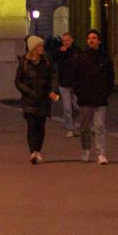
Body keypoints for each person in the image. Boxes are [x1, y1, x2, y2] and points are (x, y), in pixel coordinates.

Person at [71, 29, 114, 164]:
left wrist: (106, 92)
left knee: (100, 126)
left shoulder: (105, 58)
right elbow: (75, 77)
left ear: (99, 41)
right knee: (85, 127)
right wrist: (79, 92)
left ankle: (101, 153)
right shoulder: (81, 57)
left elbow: (110, 78)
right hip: (85, 98)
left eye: (94, 38)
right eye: (89, 38)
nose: (91, 40)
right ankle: (85, 149)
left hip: (100, 98)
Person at [15, 35, 59, 164]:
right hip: (30, 99)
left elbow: (53, 77)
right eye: (39, 46)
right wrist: (28, 92)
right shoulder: (24, 63)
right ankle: (33, 152)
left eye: (42, 46)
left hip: (44, 99)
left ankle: (38, 150)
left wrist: (53, 91)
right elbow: (18, 81)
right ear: (33, 48)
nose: (42, 48)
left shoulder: (46, 61)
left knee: (41, 126)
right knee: (32, 126)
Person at [53, 32, 81, 137]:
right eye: (64, 41)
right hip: (64, 84)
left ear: (71, 40)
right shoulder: (60, 52)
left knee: (77, 106)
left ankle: (76, 124)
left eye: (67, 40)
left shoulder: (77, 51)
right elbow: (51, 57)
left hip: (76, 83)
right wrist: (59, 51)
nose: (66, 42)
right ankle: (69, 128)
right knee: (67, 108)